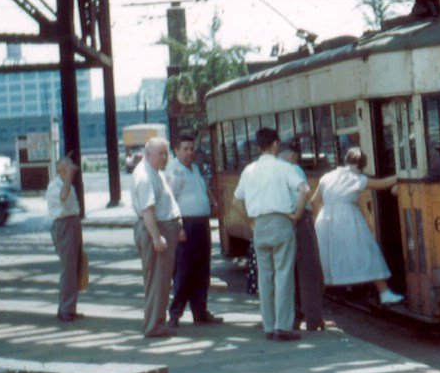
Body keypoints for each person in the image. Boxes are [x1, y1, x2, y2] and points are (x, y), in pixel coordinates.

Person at [233, 128, 309, 341]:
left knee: (264, 277)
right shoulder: (284, 168)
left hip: (260, 226)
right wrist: (296, 214)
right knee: (283, 274)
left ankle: (268, 325)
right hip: (281, 222)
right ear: (276, 144)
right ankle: (283, 327)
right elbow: (304, 190)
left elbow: (235, 201)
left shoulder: (248, 170)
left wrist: (250, 221)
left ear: (258, 146)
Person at [312, 147, 404, 305]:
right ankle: (384, 293)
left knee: (328, 256)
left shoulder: (326, 177)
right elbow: (384, 183)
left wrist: (326, 215)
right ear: (362, 165)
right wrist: (403, 173)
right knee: (366, 252)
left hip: (325, 217)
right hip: (347, 218)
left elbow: (314, 201)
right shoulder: (356, 178)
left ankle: (319, 296)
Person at [166, 135, 223, 328]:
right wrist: (179, 227)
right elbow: (169, 202)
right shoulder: (174, 171)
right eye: (185, 149)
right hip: (186, 225)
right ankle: (175, 314)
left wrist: (213, 202)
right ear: (176, 150)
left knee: (201, 270)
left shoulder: (195, 169)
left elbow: (204, 189)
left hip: (201, 224)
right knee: (184, 271)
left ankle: (200, 311)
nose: (190, 152)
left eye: (192, 148)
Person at [132, 137, 185, 338]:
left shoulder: (154, 171)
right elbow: (147, 210)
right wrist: (156, 237)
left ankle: (156, 321)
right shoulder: (145, 176)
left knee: (160, 280)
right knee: (157, 280)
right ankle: (154, 325)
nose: (165, 157)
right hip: (156, 228)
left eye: (166, 152)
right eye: (161, 153)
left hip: (162, 227)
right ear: (148, 155)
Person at [280, 141, 326, 331]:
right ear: (292, 155)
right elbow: (304, 194)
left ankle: (293, 318)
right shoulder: (294, 169)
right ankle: (314, 319)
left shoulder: (271, 171)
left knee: (287, 272)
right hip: (299, 220)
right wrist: (298, 215)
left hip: (281, 221)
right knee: (309, 272)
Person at [45, 155, 83, 322]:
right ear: (62, 169)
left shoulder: (68, 184)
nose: (73, 168)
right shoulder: (55, 186)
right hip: (63, 225)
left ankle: (68, 307)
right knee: (68, 269)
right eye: (69, 165)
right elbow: (63, 196)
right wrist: (68, 177)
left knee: (74, 268)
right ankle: (66, 310)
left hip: (73, 223)